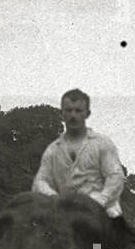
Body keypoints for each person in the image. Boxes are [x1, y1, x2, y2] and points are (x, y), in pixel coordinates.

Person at [31, 89, 125, 217]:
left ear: (87, 113)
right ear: (62, 113)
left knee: (116, 221)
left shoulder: (102, 144)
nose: (73, 115)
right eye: (68, 110)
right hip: (65, 210)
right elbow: (40, 181)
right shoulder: (53, 150)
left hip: (101, 209)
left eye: (78, 111)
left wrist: (102, 199)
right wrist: (54, 198)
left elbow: (115, 176)